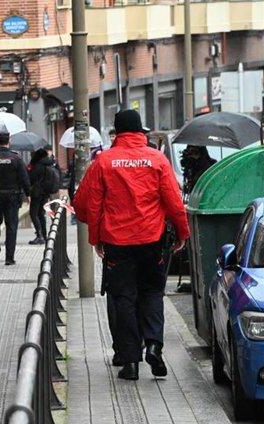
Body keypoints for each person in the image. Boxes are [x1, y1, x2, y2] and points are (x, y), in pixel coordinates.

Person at [73, 109, 189, 381]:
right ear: (140, 131)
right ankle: (154, 345)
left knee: (123, 299)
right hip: (152, 241)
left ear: (116, 132)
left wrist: (96, 239)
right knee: (152, 294)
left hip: (118, 244)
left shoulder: (103, 161)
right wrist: (182, 233)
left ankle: (131, 363)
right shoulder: (157, 159)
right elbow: (174, 201)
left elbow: (86, 203)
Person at [0, 132, 30, 265]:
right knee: (11, 226)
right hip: (13, 196)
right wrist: (28, 194)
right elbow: (24, 178)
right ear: (9, 141)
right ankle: (9, 258)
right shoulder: (16, 158)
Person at [27, 148, 60, 245]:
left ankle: (39, 235)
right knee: (41, 214)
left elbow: (31, 178)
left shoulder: (38, 166)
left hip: (37, 193)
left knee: (33, 213)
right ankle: (44, 235)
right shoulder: (50, 164)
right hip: (46, 193)